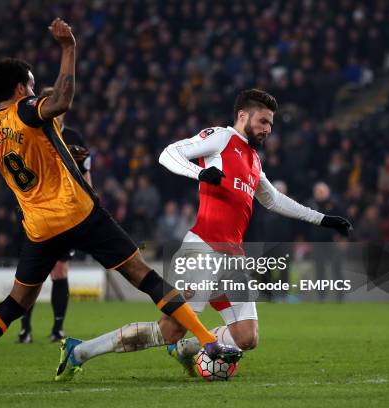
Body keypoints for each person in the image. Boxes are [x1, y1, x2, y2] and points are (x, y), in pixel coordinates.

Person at [0, 18, 239, 385]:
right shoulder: (27, 109)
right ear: (19, 87)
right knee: (144, 275)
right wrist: (68, 47)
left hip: (39, 228)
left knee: (15, 303)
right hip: (78, 212)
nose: (32, 88)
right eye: (29, 83)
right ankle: (206, 340)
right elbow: (62, 99)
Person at [57, 89, 352, 378]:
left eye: (271, 124)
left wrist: (323, 219)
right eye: (263, 121)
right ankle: (80, 351)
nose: (268, 129)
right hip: (203, 250)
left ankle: (186, 349)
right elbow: (169, 154)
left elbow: (273, 199)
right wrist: (198, 173)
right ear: (242, 115)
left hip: (233, 257)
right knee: (169, 328)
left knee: (247, 337)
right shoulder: (222, 138)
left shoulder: (254, 159)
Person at [18, 86, 93, 344]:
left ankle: (57, 329)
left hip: (68, 213)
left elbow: (86, 176)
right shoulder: (32, 133)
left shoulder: (74, 138)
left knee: (60, 271)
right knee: (34, 273)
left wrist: (91, 201)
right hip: (37, 210)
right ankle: (25, 329)